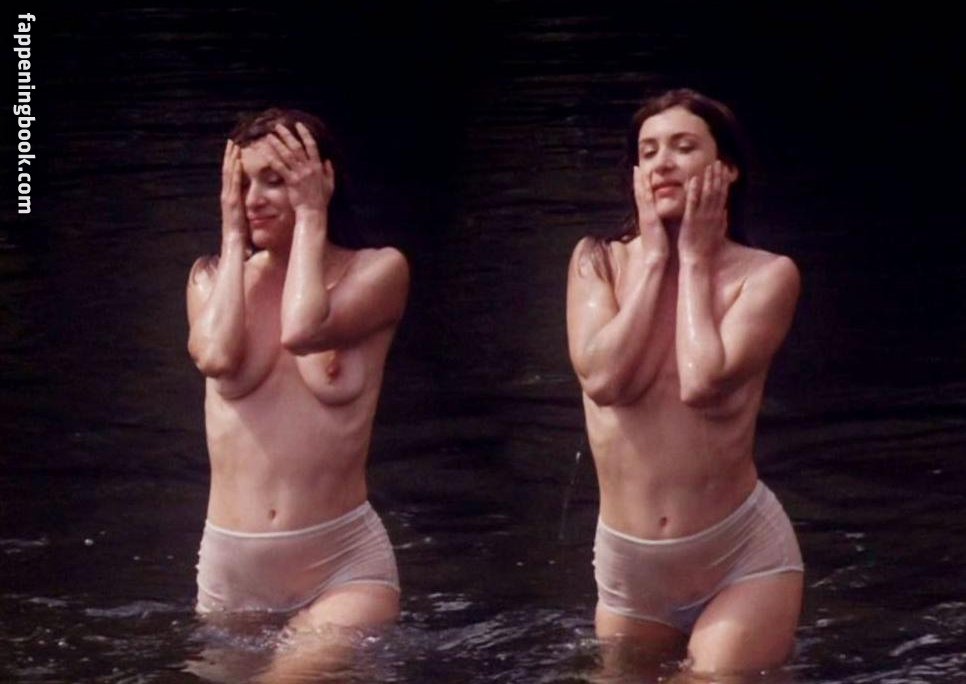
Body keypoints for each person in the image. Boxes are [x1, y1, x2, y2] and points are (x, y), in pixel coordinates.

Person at [566, 89, 803, 676]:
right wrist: (653, 260)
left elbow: (702, 381)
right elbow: (604, 380)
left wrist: (694, 261)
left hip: (739, 556)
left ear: (728, 169)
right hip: (629, 568)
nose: (662, 163)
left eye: (683, 147)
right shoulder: (597, 262)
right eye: (648, 152)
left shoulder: (766, 275)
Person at [186, 108, 409, 645]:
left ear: (320, 180)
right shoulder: (210, 280)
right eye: (242, 184)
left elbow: (304, 328)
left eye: (275, 180)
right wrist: (233, 238)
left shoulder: (378, 271)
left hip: (341, 566)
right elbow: (215, 356)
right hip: (230, 574)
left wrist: (311, 217)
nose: (253, 199)